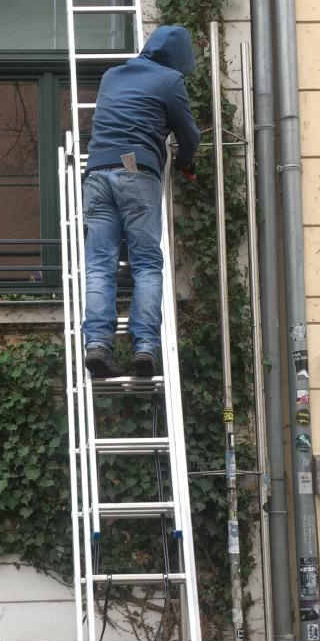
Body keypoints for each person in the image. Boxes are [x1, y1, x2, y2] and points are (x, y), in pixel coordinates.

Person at [80, 24, 201, 379]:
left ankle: (98, 345)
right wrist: (185, 161)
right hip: (136, 171)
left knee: (99, 264)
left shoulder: (111, 76)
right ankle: (145, 347)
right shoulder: (169, 80)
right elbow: (188, 135)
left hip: (97, 173)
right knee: (146, 264)